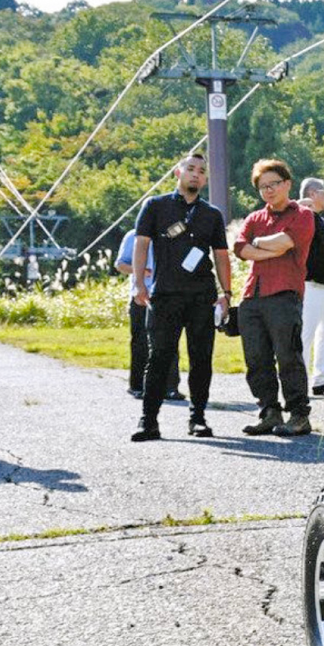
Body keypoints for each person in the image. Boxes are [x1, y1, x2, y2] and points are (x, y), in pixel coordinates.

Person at [130, 153, 231, 441]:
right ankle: (148, 421)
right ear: (178, 172)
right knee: (159, 358)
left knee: (201, 359)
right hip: (165, 295)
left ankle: (197, 418)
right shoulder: (155, 206)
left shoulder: (211, 214)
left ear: (205, 178)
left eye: (201, 171)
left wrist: (226, 294)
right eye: (190, 169)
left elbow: (221, 256)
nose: (196, 174)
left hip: (202, 297)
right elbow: (141, 245)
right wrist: (139, 284)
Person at [233, 159, 315, 437]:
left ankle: (299, 415)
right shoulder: (254, 218)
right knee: (256, 359)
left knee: (288, 355)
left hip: (284, 294)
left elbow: (287, 242)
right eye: (263, 187)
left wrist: (260, 243)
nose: (268, 190)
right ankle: (269, 411)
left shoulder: (303, 215)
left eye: (274, 184)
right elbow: (240, 248)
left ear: (287, 184)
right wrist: (268, 247)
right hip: (251, 297)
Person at [114, 229, 181, 401]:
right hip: (142, 295)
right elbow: (120, 264)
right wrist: (140, 270)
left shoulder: (172, 233)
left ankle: (170, 387)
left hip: (169, 294)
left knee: (170, 341)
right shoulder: (133, 235)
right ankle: (137, 386)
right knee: (141, 341)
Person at [297, 177, 324, 398]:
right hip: (309, 284)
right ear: (313, 193)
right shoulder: (301, 215)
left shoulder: (321, 221)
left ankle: (322, 380)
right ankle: (298, 381)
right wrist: (301, 206)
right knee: (305, 334)